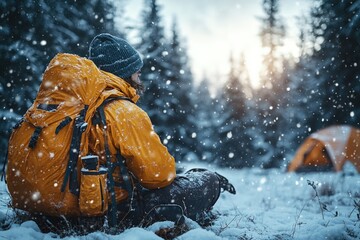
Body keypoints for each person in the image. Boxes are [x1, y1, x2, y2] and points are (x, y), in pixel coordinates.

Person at [87, 33, 236, 228]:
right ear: (123, 73)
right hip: (119, 210)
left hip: (82, 204)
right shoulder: (124, 112)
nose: (140, 76)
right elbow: (158, 176)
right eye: (137, 72)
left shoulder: (80, 105)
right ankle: (211, 179)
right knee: (208, 180)